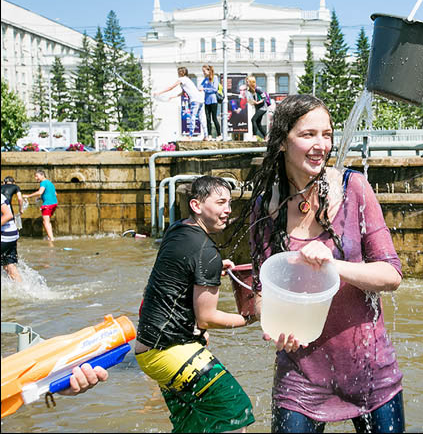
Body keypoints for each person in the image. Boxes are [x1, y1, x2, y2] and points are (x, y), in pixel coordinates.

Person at [242, 94, 404, 433]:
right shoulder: (265, 208)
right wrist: (271, 324)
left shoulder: (354, 188)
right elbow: (261, 292)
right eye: (308, 135)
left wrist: (334, 265)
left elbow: (391, 275)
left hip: (368, 367)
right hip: (300, 373)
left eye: (327, 135)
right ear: (282, 141)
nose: (321, 145)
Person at [135, 176, 254, 433]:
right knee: (236, 413)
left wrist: (209, 270)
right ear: (196, 205)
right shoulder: (206, 251)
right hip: (171, 351)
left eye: (230, 203)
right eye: (220, 202)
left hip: (149, 349)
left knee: (192, 425)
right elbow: (207, 318)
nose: (228, 210)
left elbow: (176, 271)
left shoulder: (178, 230)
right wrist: (250, 318)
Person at [155, 67, 206, 141]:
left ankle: (190, 136)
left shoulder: (182, 79)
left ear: (181, 73)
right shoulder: (187, 79)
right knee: (202, 118)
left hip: (194, 100)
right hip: (200, 99)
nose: (177, 74)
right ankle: (206, 136)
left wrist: (159, 93)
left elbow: (171, 87)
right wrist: (173, 97)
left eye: (178, 72)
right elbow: (183, 92)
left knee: (192, 117)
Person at [25, 169, 57, 242]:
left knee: (45, 222)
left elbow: (40, 192)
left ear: (42, 175)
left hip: (47, 204)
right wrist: (41, 197)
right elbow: (55, 194)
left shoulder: (43, 182)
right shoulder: (50, 183)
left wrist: (28, 196)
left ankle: (51, 239)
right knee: (47, 221)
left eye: (37, 176)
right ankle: (50, 236)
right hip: (54, 204)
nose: (36, 178)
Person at [1, 193, 22, 281]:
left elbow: (8, 215)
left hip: (5, 236)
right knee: (9, 265)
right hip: (11, 235)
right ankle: (23, 290)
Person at [200, 64, 222, 140]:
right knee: (208, 118)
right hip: (206, 101)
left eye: (204, 71)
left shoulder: (214, 78)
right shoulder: (205, 79)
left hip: (213, 100)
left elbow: (214, 89)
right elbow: (200, 86)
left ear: (208, 70)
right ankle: (209, 135)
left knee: (214, 118)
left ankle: (219, 135)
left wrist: (205, 89)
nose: (203, 72)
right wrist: (201, 88)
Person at [247, 76, 268, 140]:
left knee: (253, 120)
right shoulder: (249, 90)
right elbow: (252, 99)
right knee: (258, 123)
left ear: (251, 82)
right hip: (258, 108)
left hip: (263, 108)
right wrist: (251, 102)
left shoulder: (257, 89)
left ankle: (254, 136)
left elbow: (264, 98)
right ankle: (266, 137)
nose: (246, 83)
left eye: (247, 81)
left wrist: (257, 103)